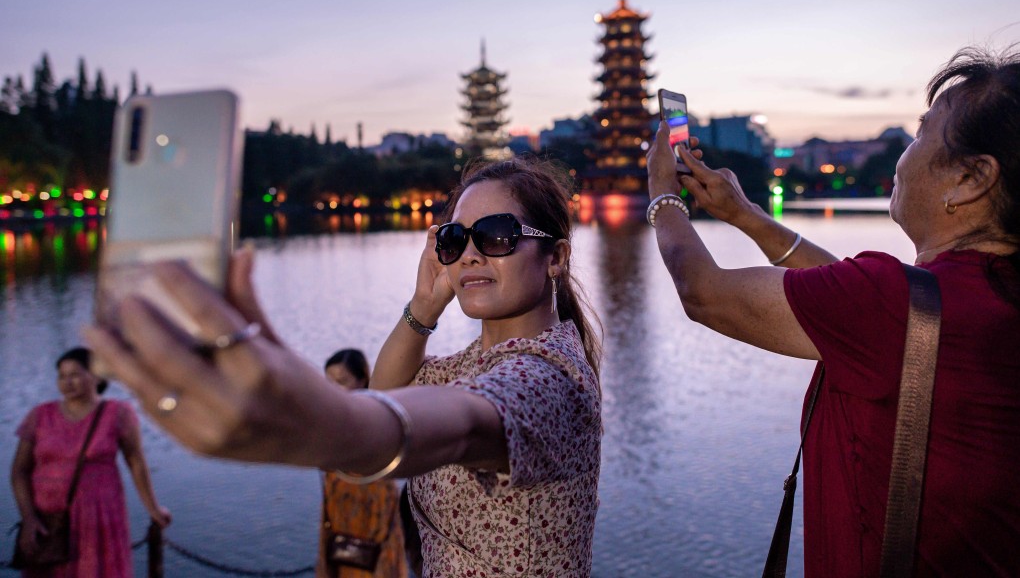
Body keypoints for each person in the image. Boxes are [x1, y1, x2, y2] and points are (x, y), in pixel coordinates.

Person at [84, 155, 603, 577]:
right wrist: (424, 306)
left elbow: (450, 424)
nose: (469, 255)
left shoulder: (551, 377)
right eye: (454, 239)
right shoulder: (469, 365)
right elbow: (386, 393)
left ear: (554, 257)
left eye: (496, 235)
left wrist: (303, 418)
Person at [645, 45, 1020, 576]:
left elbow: (704, 292)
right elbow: (846, 300)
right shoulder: (983, 295)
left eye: (921, 134)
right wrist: (747, 216)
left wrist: (663, 196)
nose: (904, 154)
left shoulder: (890, 304)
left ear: (971, 178)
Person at [10, 347, 172, 578]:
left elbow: (135, 461)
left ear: (96, 376)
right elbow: (19, 471)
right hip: (49, 518)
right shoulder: (40, 415)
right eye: (62, 376)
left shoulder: (117, 413)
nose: (67, 382)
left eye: (75, 374)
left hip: (100, 517)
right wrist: (28, 518)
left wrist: (153, 509)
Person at [318, 348, 406, 578]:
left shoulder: (378, 418)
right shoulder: (332, 420)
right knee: (338, 561)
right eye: (329, 382)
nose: (334, 389)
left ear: (362, 379)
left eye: (342, 381)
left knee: (377, 565)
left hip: (374, 508)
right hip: (338, 510)